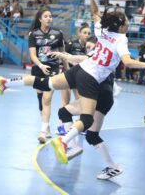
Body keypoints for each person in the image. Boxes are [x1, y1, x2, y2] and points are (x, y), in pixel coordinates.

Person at [0, 0, 145, 165]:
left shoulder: (101, 30)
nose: (128, 23)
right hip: (90, 77)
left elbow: (95, 13)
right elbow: (128, 62)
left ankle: (6, 83)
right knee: (87, 119)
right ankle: (64, 141)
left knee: (46, 84)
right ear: (121, 27)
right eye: (127, 21)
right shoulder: (121, 39)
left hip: (80, 69)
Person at [51, 35, 123, 179]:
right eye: (88, 47)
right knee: (64, 112)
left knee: (91, 135)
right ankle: (73, 146)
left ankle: (113, 167)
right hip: (99, 95)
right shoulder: (99, 59)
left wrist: (65, 55)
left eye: (91, 47)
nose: (89, 50)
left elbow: (83, 58)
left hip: (102, 96)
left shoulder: (98, 56)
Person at [27, 8, 69, 143]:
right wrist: (41, 65)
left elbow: (63, 55)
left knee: (47, 99)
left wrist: (67, 70)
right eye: (46, 16)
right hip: (39, 68)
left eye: (50, 16)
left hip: (53, 69)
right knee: (41, 100)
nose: (49, 18)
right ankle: (46, 126)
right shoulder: (33, 34)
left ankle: (43, 132)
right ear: (40, 19)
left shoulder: (58, 34)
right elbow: (33, 55)